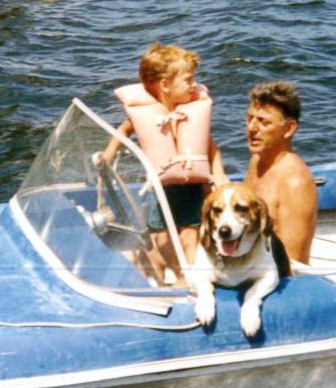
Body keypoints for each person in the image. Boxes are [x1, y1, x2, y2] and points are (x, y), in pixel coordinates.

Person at [99, 42, 226, 283]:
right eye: (188, 80)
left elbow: (209, 145)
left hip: (191, 189)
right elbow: (123, 131)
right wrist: (108, 155)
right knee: (160, 238)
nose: (194, 85)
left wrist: (219, 175)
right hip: (161, 189)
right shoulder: (146, 112)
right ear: (165, 85)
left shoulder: (190, 110)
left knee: (189, 237)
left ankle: (191, 281)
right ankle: (178, 273)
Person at [244, 81, 317, 265]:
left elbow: (293, 262)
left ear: (289, 128)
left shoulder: (295, 182)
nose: (251, 128)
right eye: (250, 118)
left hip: (278, 276)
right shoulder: (257, 161)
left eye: (264, 122)